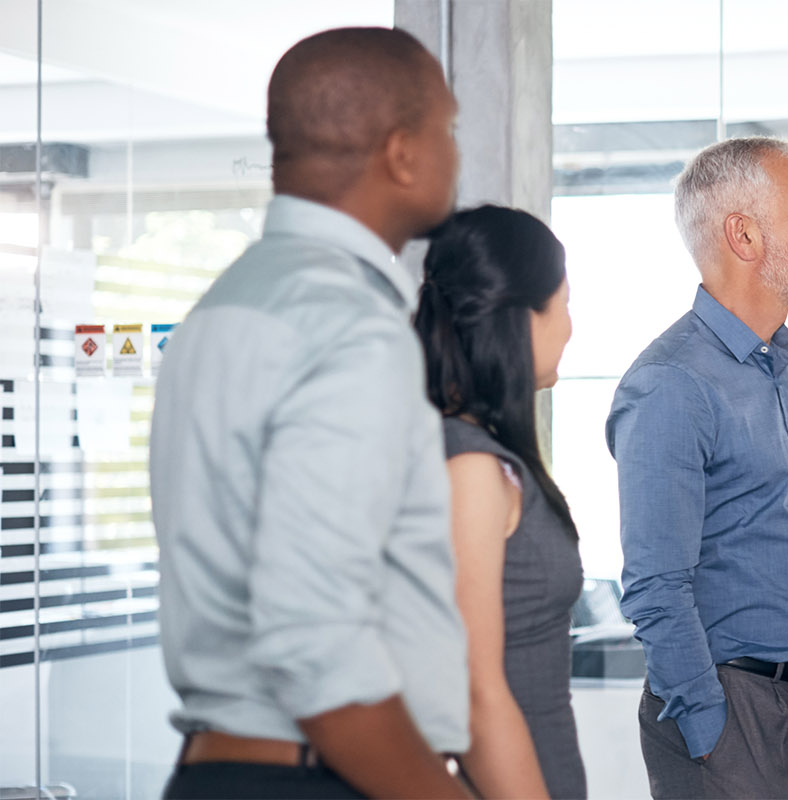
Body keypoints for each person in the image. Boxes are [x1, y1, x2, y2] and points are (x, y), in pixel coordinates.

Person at [148, 27, 471, 799]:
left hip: (222, 772)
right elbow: (314, 642)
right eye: (447, 130)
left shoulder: (225, 306)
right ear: (400, 153)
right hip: (323, 777)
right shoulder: (351, 325)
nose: (455, 153)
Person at [606, 136, 788, 799]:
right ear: (744, 236)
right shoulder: (670, 384)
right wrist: (709, 728)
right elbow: (656, 583)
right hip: (733, 719)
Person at [414, 206, 584, 799]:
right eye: (564, 305)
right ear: (523, 318)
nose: (570, 327)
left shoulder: (482, 456)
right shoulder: (470, 469)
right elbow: (475, 693)